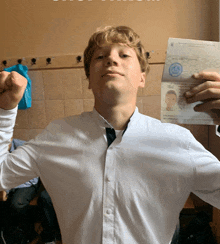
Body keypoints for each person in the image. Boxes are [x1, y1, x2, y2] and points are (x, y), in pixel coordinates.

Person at [0, 26, 220, 244]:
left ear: (142, 78)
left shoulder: (178, 141)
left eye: (124, 55)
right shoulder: (56, 135)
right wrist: (5, 110)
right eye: (100, 56)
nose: (111, 60)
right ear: (88, 79)